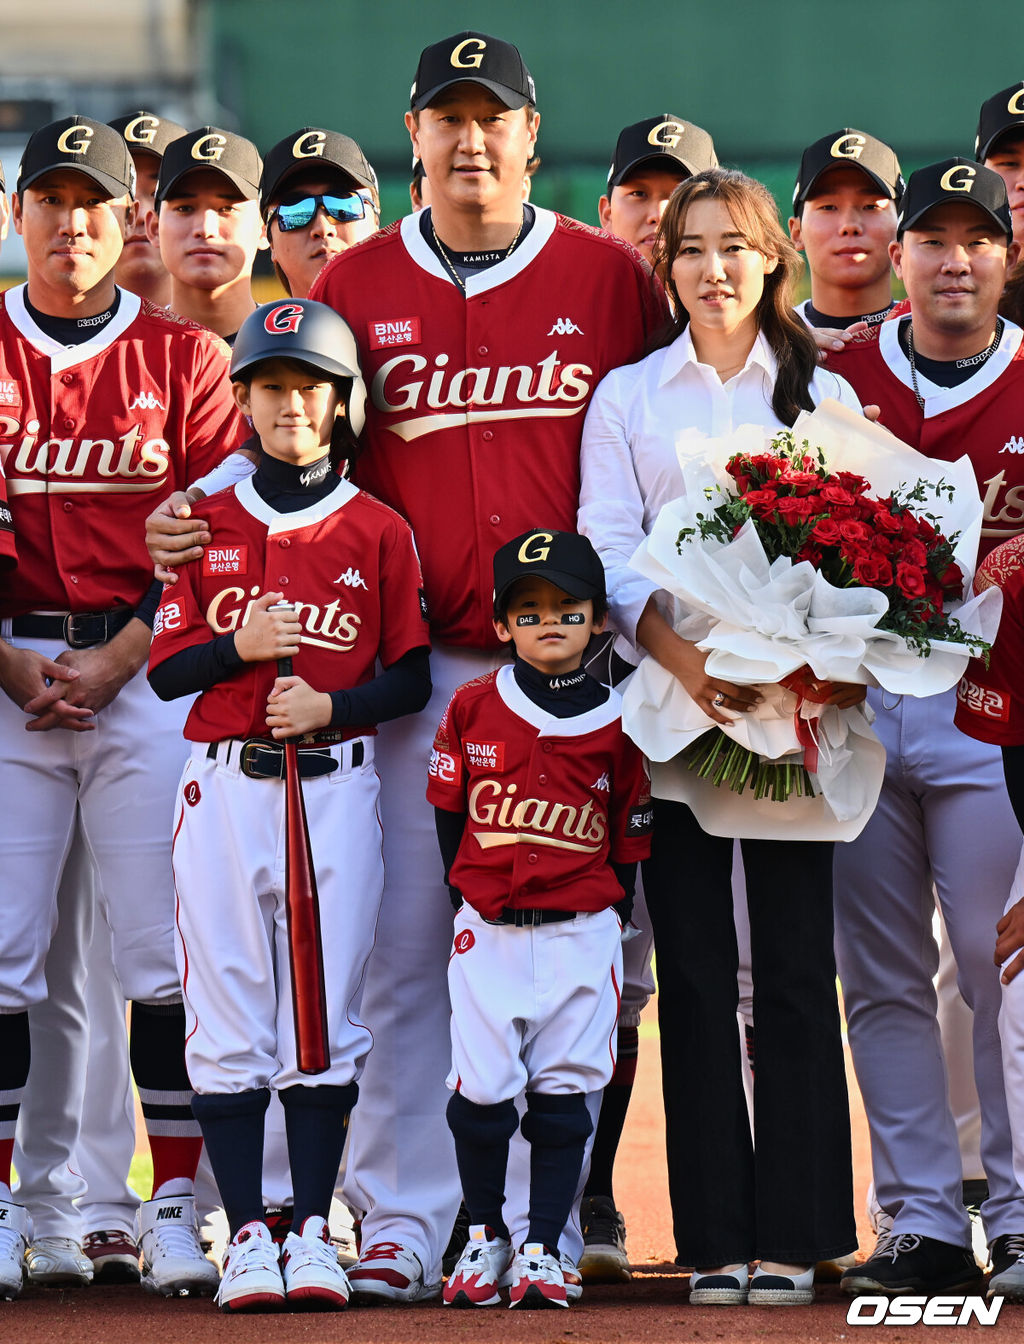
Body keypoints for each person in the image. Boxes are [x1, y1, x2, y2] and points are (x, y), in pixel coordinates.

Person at [144, 30, 668, 1304]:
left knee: (578, 944)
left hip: (574, 668)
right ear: (414, 136)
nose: (471, 138)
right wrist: (190, 511)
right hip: (404, 672)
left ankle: (548, 1218)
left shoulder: (605, 276)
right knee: (394, 947)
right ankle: (402, 1216)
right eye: (448, 117)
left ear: (533, 138)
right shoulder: (358, 282)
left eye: (493, 118)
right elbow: (294, 452)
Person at [580, 167, 864, 1306]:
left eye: (733, 248)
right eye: (690, 250)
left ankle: (798, 1233)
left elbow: (865, 547)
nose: (712, 271)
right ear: (669, 266)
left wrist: (810, 667)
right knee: (693, 971)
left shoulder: (819, 395)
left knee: (794, 969)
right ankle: (710, 1237)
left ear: (770, 260)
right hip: (671, 707)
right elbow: (605, 543)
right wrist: (683, 659)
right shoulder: (630, 396)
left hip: (794, 713)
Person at [0, 114, 247, 1300]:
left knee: (161, 954)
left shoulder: (185, 360)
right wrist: (13, 667)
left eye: (93, 200)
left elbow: (213, 539)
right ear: (19, 217)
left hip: (142, 677)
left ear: (125, 221)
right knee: (6, 957)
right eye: (50, 198)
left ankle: (174, 1206)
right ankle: (12, 1206)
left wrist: (122, 659)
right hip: (8, 676)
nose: (72, 219)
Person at [147, 298, 431, 1312]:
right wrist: (239, 650)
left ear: (342, 403)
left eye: (309, 387)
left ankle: (313, 1227)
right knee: (225, 1015)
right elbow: (168, 673)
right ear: (245, 401)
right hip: (223, 787)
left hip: (336, 785)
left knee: (323, 1020)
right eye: (270, 387)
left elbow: (408, 677)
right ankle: (252, 1238)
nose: (290, 406)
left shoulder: (377, 528)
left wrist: (329, 701)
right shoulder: (204, 523)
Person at [824, 160, 1024, 1299]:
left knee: (1000, 976)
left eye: (977, 240)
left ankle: (1017, 1200)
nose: (954, 260)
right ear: (896, 256)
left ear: (1005, 258)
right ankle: (918, 1218)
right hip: (854, 707)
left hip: (988, 716)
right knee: (884, 977)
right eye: (933, 239)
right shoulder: (835, 377)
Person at [431, 530, 651, 1310]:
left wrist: (609, 911)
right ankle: (485, 1233)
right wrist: (466, 899)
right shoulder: (469, 705)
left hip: (581, 930)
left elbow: (629, 833)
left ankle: (541, 1243)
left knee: (563, 1096)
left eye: (568, 608)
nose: (547, 621)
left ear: (598, 621)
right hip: (488, 928)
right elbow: (449, 817)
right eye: (528, 611)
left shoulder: (625, 721)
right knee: (482, 1096)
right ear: (501, 625)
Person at [147, 127, 265, 341]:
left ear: (264, 228)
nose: (205, 229)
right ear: (153, 228)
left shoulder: (298, 350)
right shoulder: (122, 355)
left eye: (226, 209)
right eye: (184, 208)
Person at [788, 128, 904, 329]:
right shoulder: (763, 345)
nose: (850, 226)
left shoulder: (943, 341)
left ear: (902, 227)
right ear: (797, 232)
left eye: (871, 206)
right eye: (828, 207)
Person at [259, 128, 380, 299]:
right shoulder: (251, 327)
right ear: (270, 241)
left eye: (344, 205)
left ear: (376, 223)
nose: (323, 228)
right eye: (295, 211)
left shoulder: (427, 318)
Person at [599, 115, 717, 266]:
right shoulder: (570, 289)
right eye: (638, 194)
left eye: (682, 195)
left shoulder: (747, 289)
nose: (659, 215)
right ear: (608, 215)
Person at [110, 110, 187, 307]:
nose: (142, 215)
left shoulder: (250, 335)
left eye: (158, 194)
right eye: (123, 194)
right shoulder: (43, 335)